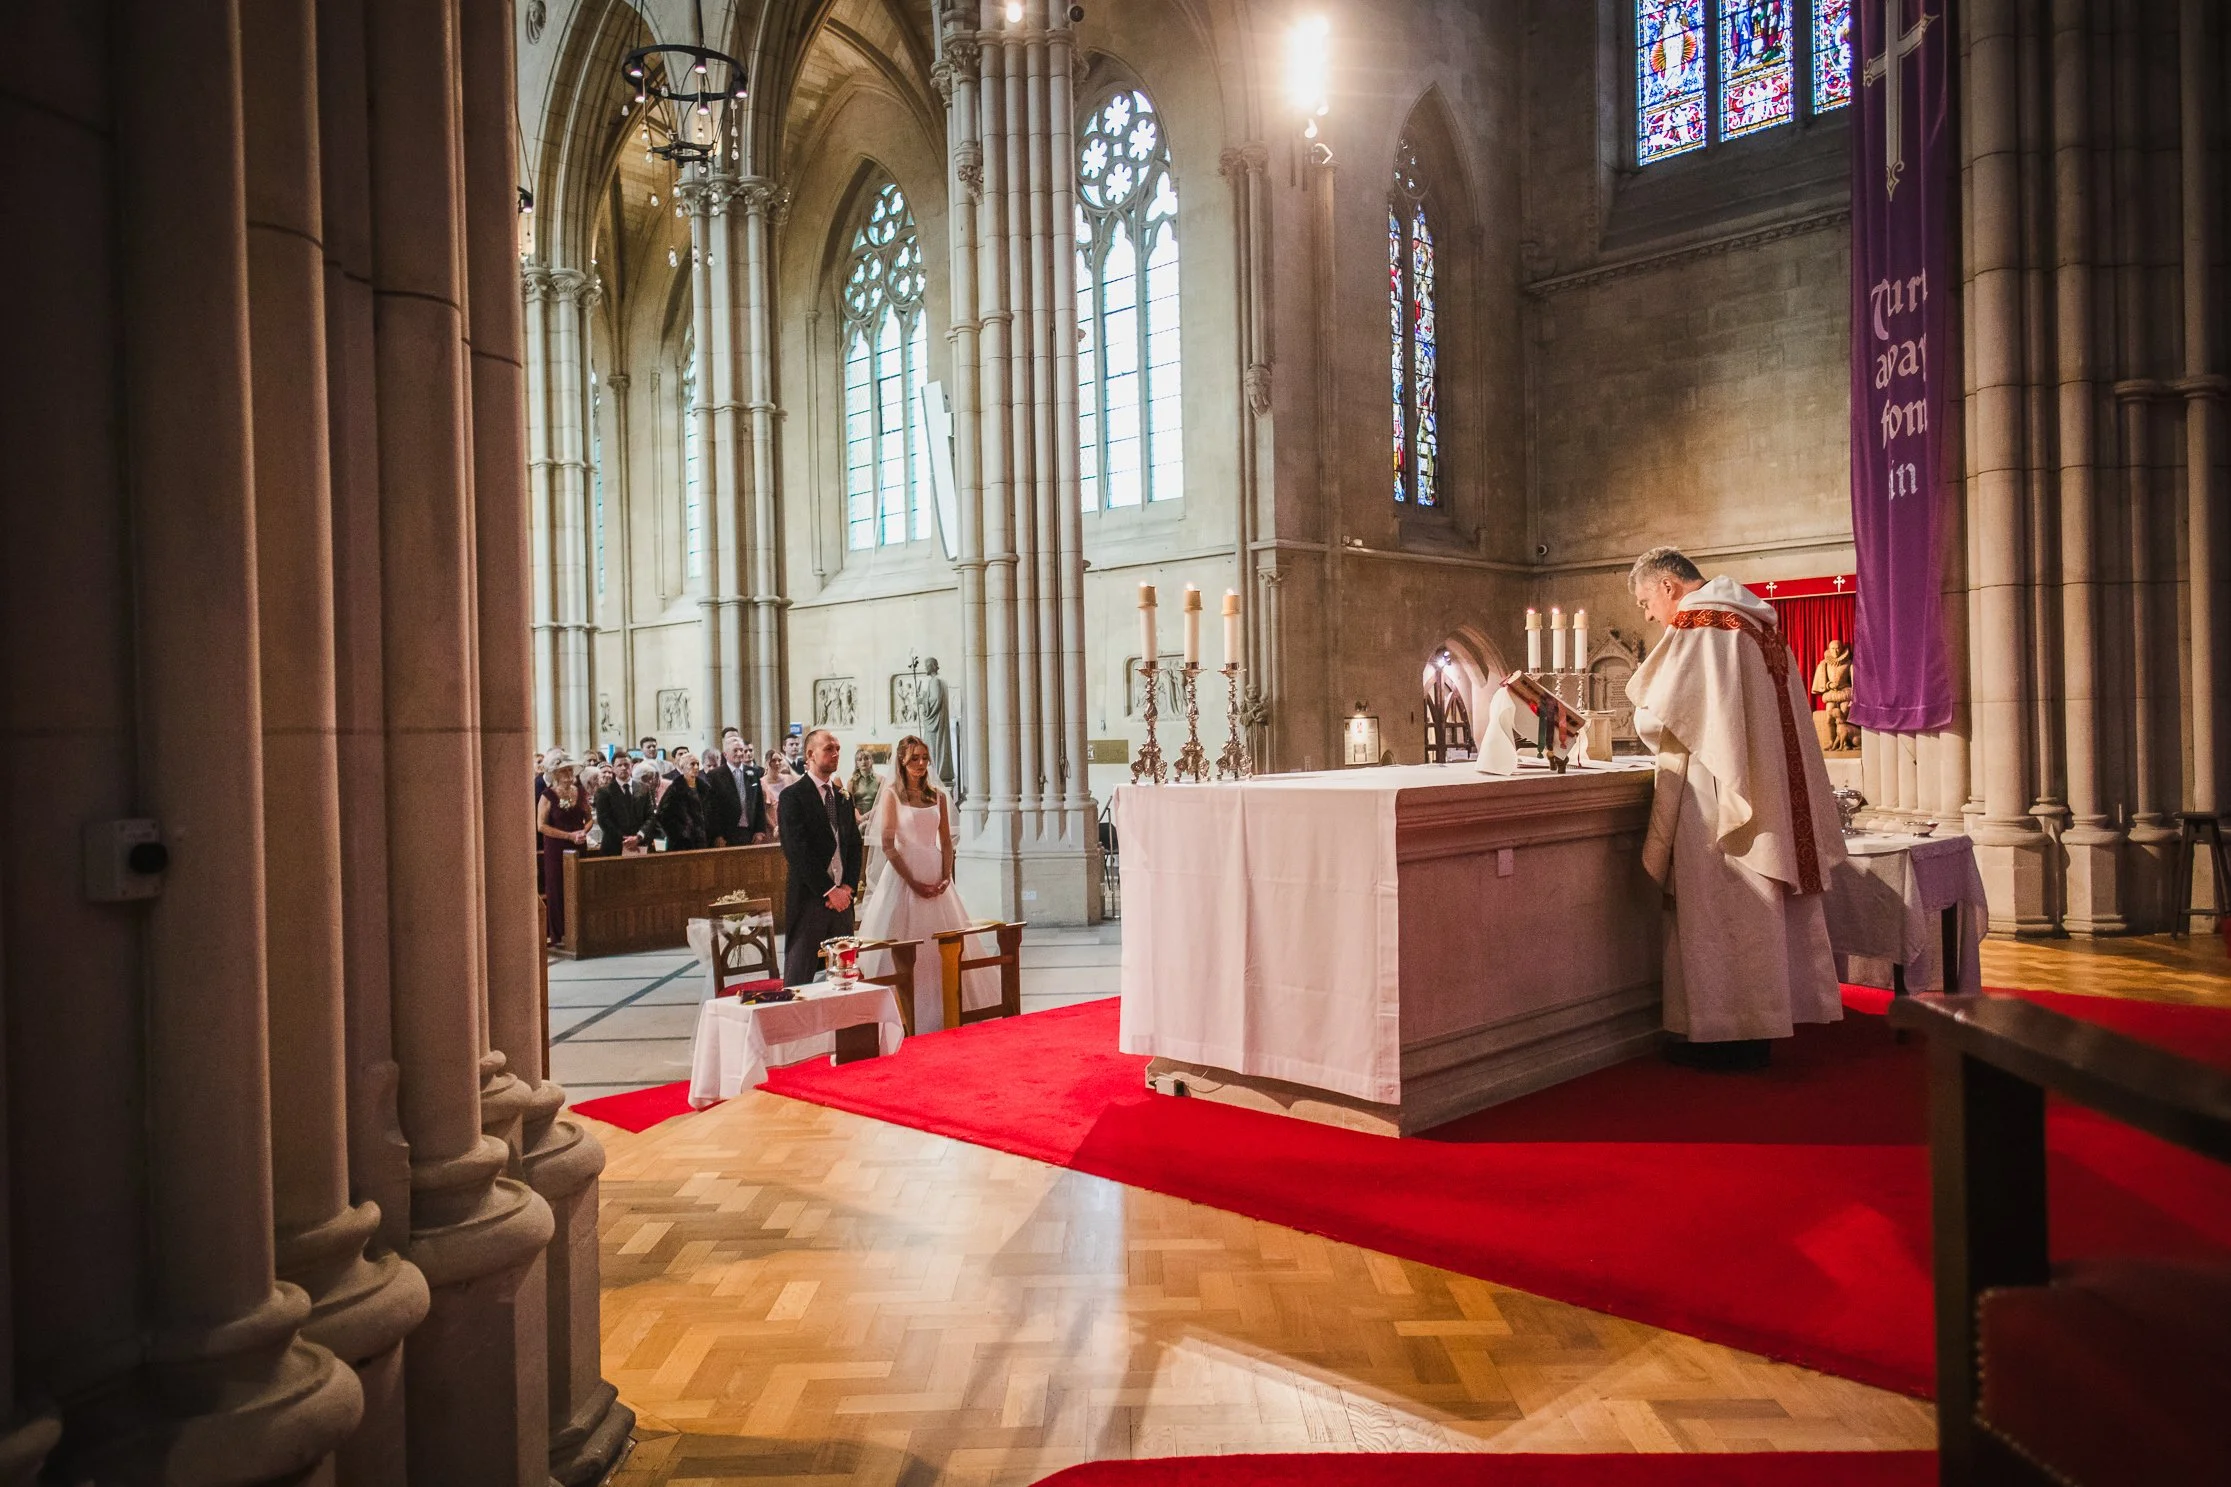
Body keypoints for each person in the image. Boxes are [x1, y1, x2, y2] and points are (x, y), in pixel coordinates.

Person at [1625, 546, 1846, 1070]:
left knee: (1722, 914)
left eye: (1645, 603)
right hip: (1768, 791)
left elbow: (1658, 718)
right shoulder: (1759, 624)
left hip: (1718, 797)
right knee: (1758, 915)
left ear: (1668, 587)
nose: (1650, 616)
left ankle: (1726, 1039)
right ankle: (1761, 1028)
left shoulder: (1702, 624)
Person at [856, 735, 998, 1032]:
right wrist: (913, 882)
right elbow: (888, 845)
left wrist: (946, 874)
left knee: (944, 944)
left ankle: (951, 1008)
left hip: (936, 872)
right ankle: (902, 1016)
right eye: (914, 759)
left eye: (924, 758)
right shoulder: (892, 795)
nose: (921, 764)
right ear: (902, 762)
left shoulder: (938, 796)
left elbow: (946, 840)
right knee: (904, 944)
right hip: (904, 875)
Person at [776, 728, 864, 987]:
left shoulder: (842, 798)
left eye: (838, 749)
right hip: (810, 898)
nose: (835, 754)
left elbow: (853, 846)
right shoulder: (793, 796)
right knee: (799, 973)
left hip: (842, 900)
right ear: (810, 754)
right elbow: (797, 851)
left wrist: (847, 886)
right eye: (829, 748)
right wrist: (829, 891)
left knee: (845, 973)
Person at [536, 754, 589, 944]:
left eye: (570, 770)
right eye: (564, 770)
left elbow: (589, 818)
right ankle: (558, 932)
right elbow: (541, 826)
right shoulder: (548, 795)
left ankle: (578, 930)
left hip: (579, 843)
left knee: (579, 886)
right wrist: (568, 836)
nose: (568, 773)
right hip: (556, 846)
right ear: (556, 774)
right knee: (558, 887)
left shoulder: (580, 792)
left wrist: (583, 831)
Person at [705, 736, 766, 846]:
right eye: (735, 750)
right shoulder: (715, 775)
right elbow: (712, 809)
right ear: (725, 754)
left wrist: (760, 831)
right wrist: (717, 835)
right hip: (726, 834)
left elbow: (759, 803)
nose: (739, 753)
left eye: (741, 750)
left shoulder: (753, 773)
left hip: (750, 833)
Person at [593, 756, 656, 855]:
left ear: (631, 767)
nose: (623, 768)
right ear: (613, 769)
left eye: (626, 765)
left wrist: (638, 836)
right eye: (619, 765)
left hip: (640, 843)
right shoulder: (604, 792)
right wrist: (626, 839)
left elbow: (651, 816)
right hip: (614, 845)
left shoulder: (644, 788)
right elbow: (604, 820)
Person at [655, 747, 710, 851]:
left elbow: (712, 811)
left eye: (697, 764)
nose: (696, 767)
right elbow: (663, 815)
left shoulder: (704, 788)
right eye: (692, 764)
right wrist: (681, 832)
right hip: (683, 842)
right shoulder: (675, 789)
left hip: (704, 838)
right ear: (683, 767)